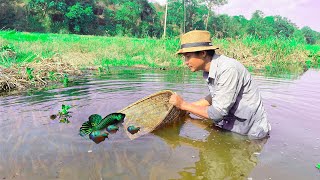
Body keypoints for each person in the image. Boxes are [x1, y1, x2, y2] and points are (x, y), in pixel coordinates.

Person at [169, 30, 271, 139]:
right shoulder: (210, 70)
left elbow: (217, 114)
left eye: (188, 56)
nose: (185, 62)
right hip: (232, 126)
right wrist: (188, 108)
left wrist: (184, 105)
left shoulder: (228, 69)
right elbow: (215, 96)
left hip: (250, 134)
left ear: (203, 53)